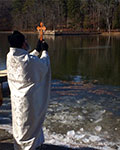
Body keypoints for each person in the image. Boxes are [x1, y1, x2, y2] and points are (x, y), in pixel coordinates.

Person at [7, 31, 51, 150]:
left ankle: (20, 145)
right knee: (29, 124)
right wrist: (45, 52)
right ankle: (30, 147)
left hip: (16, 98)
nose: (27, 42)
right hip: (28, 100)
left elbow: (28, 60)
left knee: (19, 123)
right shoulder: (28, 61)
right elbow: (43, 66)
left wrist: (37, 50)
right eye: (25, 40)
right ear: (22, 44)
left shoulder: (10, 56)